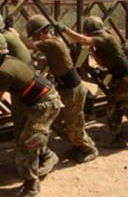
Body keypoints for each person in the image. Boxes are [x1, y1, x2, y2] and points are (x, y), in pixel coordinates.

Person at [0, 31, 62, 197]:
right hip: (34, 102)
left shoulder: (3, 70)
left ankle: (31, 184)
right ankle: (46, 156)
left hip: (45, 104)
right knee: (27, 137)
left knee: (26, 145)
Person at [55, 16, 128, 148]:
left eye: (87, 32)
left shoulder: (105, 37)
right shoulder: (100, 42)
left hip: (127, 79)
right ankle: (118, 139)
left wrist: (66, 30)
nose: (86, 34)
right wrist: (92, 50)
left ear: (92, 31)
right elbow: (100, 62)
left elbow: (82, 40)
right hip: (118, 79)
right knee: (112, 109)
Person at [25, 14, 98, 163]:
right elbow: (46, 59)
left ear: (39, 33)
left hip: (73, 90)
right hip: (66, 89)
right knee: (56, 122)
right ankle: (77, 144)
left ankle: (89, 148)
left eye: (33, 35)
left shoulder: (53, 43)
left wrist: (14, 33)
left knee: (74, 126)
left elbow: (30, 45)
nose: (33, 39)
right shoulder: (53, 43)